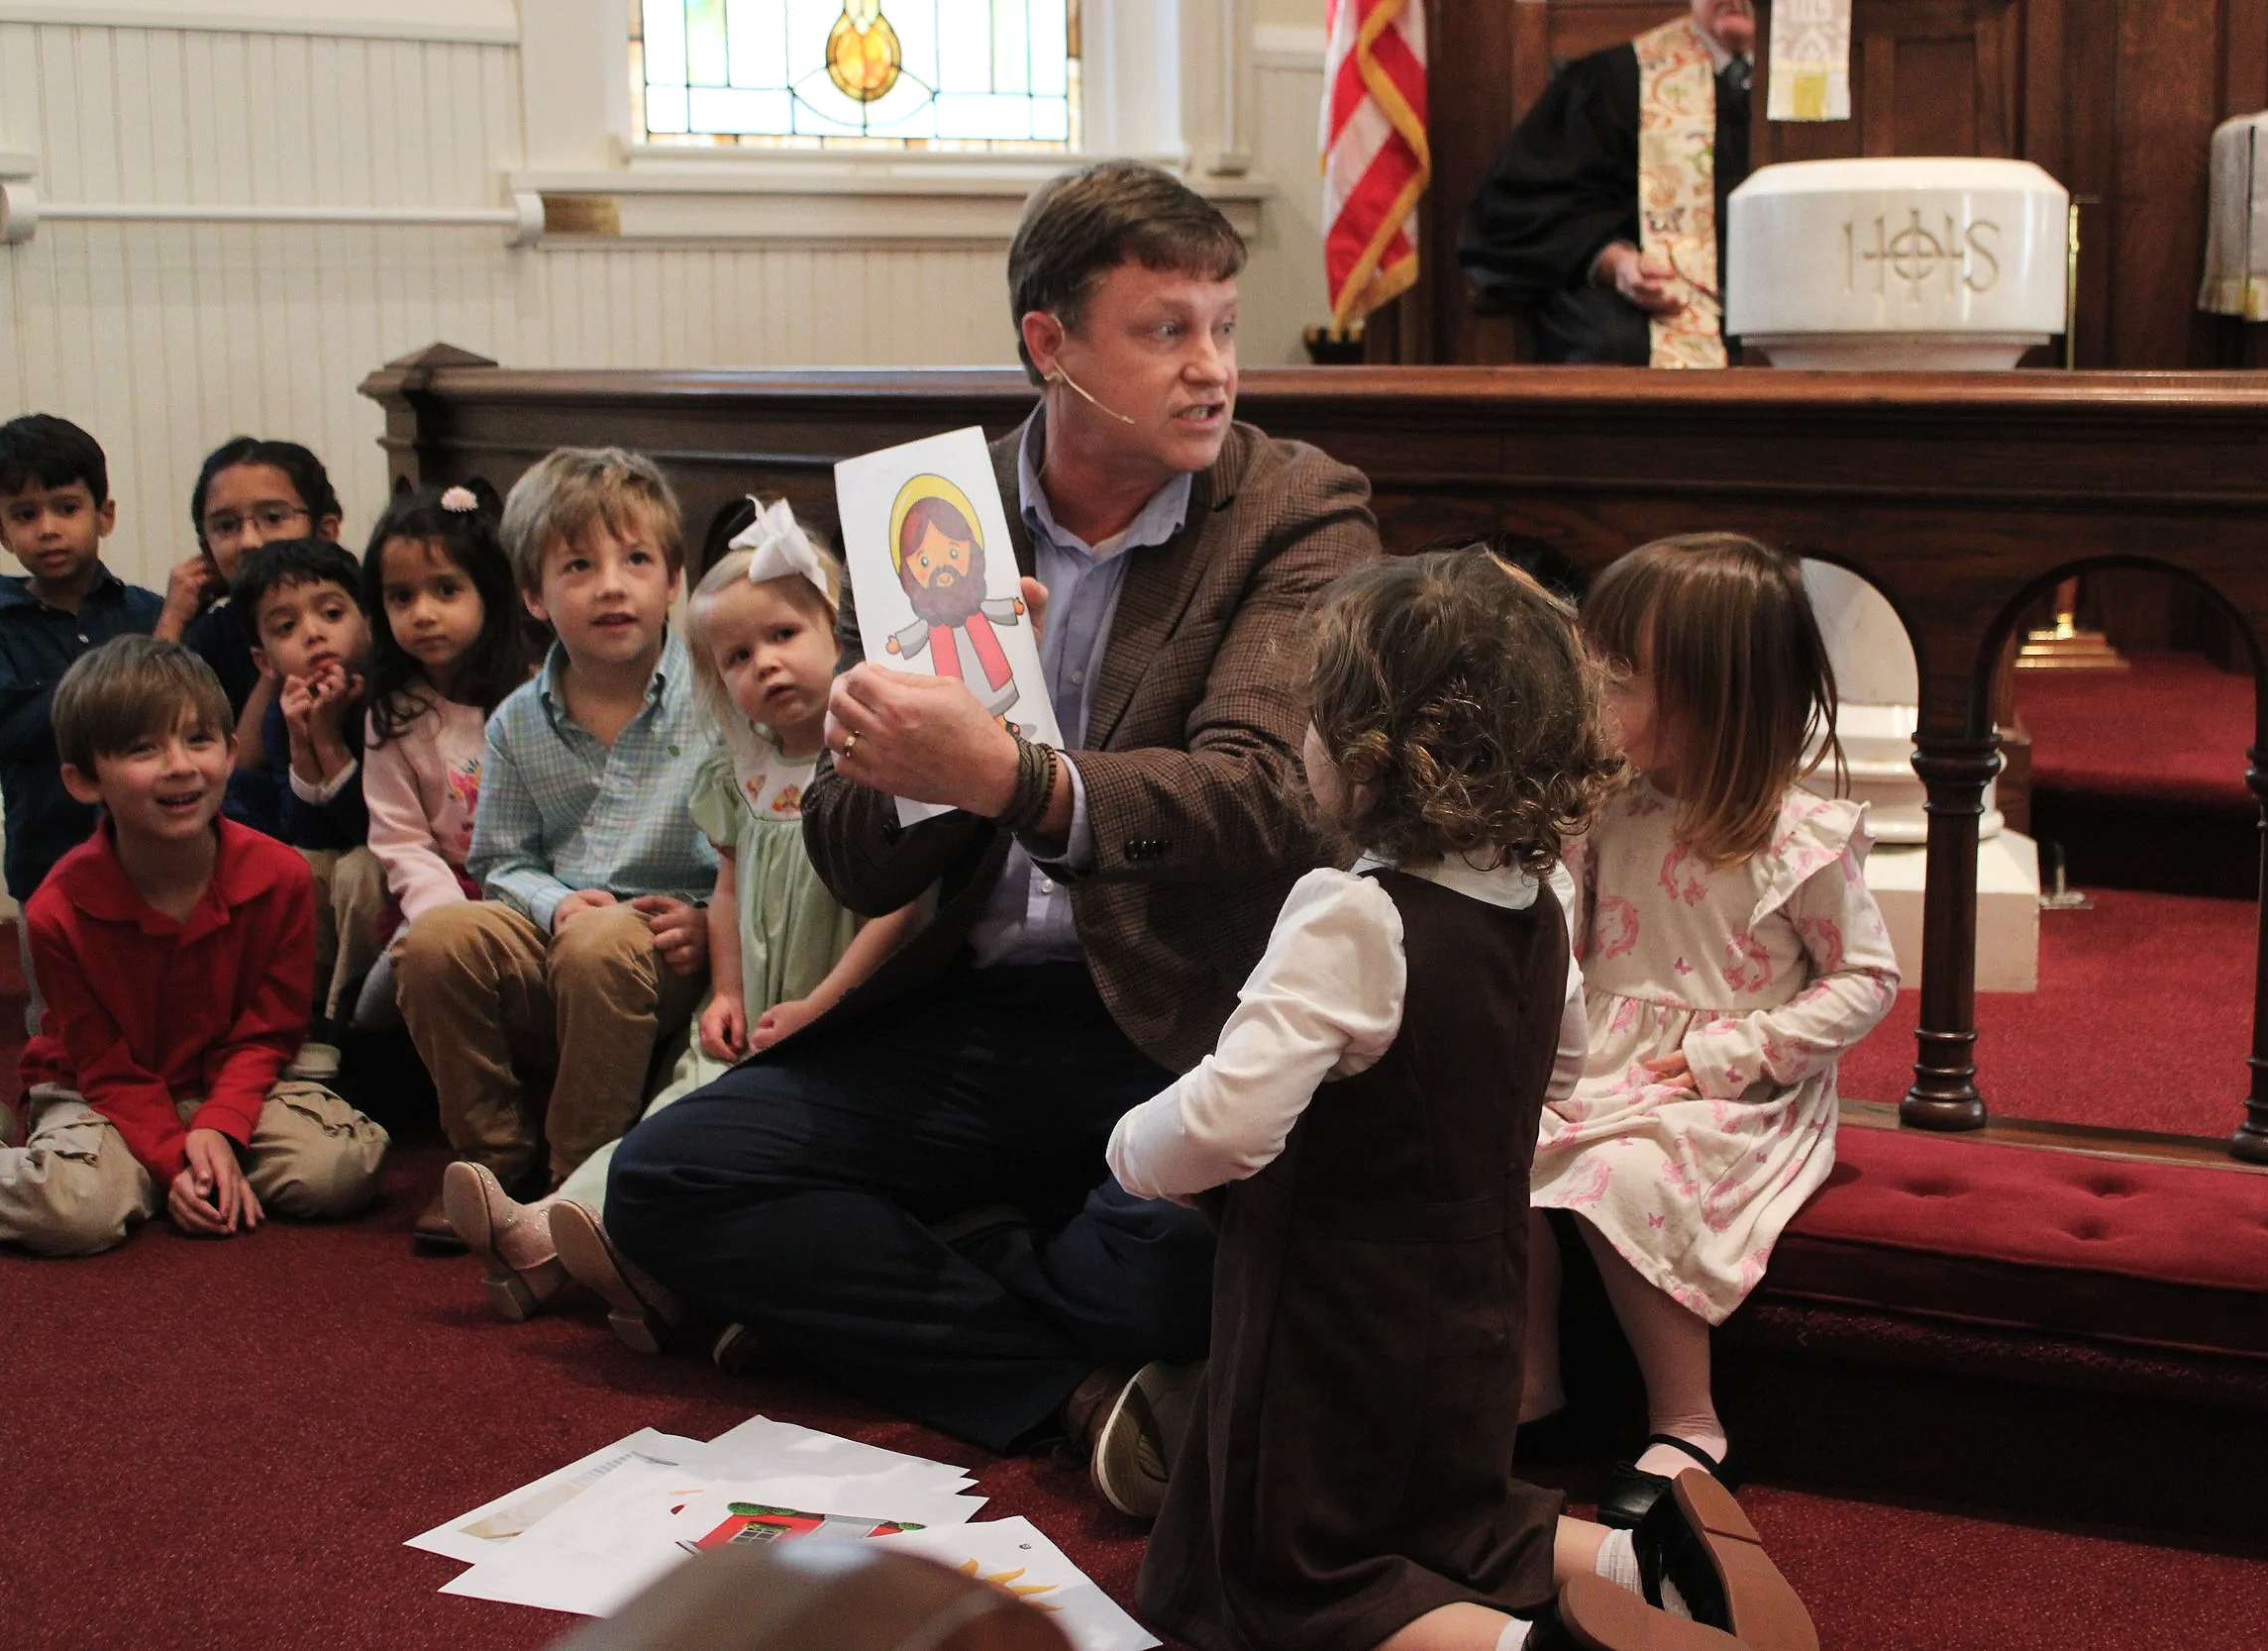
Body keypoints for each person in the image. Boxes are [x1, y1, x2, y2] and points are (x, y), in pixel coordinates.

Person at [603, 159, 1381, 1502]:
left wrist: (1018, 776)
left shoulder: (1297, 509)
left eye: (1222, 325)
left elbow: (1265, 796)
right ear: (1051, 344)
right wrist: (902, 749)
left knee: (1188, 1268)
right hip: (972, 1010)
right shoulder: (936, 513)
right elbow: (854, 851)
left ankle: (891, 1287)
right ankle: (1071, 1390)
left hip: (1179, 1016)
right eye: (1165, 329)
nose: (1213, 369)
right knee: (667, 1176)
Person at [1105, 547, 1638, 1651]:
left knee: (1297, 1576)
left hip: (1332, 1318)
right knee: (1456, 1518)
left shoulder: (1350, 916)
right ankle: (1648, 1559)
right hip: (1478, 1291)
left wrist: (1129, 1149)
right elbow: (1565, 1070)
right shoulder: (1537, 893)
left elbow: (1226, 1121)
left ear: (1370, 754)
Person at [442, 497, 922, 1339]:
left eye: (784, 636)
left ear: (836, 632)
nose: (765, 666)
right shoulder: (745, 768)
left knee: (745, 1140)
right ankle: (551, 1222)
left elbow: (907, 903)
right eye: (737, 655)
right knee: (681, 1103)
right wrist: (725, 994)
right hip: (754, 1006)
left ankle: (618, 1256)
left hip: (842, 1014)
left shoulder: (880, 756)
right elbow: (730, 888)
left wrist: (829, 1002)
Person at [1526, 533, 1900, 1529]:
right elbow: (1564, 931)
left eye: (1619, 677)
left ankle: (1688, 1418)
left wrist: (1723, 1055)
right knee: (1500, 1150)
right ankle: (1532, 1390)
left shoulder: (1792, 834)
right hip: (1604, 1058)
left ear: (1710, 696)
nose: (1592, 696)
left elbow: (1865, 979)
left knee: (1627, 1172)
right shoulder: (1610, 807)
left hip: (1732, 1085)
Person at [392, 446, 716, 1249]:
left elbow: (761, 841)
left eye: (636, 559)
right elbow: (500, 863)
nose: (612, 583)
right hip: (554, 932)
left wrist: (708, 918)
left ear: (673, 581)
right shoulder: (516, 722)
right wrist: (554, 898)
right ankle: (493, 1161)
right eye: (579, 564)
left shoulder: (718, 701)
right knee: (434, 940)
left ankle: (579, 1186)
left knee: (603, 945)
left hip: (667, 949)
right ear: (535, 595)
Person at [0, 635, 386, 1256]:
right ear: (84, 780)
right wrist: (175, 1160)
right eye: (144, 748)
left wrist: (219, 1127)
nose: (179, 765)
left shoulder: (281, 878)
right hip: (99, 1092)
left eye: (198, 740)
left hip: (237, 1079)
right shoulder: (56, 910)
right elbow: (103, 1066)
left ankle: (169, 1172)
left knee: (341, 1171)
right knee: (72, 1214)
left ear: (228, 750)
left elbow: (269, 1031)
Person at [0, 414, 185, 1033]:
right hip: (48, 855)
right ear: (1, 531)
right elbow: (10, 728)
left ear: (105, 514)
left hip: (153, 855)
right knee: (62, 1024)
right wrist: (128, 673)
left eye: (66, 506)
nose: (47, 529)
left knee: (160, 1005)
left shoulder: (147, 611)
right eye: (24, 514)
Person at [1460, 0, 1756, 366]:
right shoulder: (1618, 79)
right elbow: (1526, 208)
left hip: (1787, 303)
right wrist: (1616, 262)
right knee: (1615, 344)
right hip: (1650, 303)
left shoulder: (1842, 92)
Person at [347, 481, 541, 1031]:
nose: (423, 613)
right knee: (384, 1001)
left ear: (489, 591)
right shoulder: (394, 717)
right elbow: (401, 839)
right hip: (441, 894)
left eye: (446, 590)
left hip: (531, 891)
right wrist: (444, 915)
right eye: (401, 597)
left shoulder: (534, 698)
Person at [222, 538, 387, 1042]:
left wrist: (330, 741)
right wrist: (303, 740)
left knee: (360, 869)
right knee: (297, 866)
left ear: (368, 621)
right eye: (286, 627)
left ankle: (356, 1020)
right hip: (339, 847)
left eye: (332, 613)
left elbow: (374, 828)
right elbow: (304, 830)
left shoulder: (391, 698)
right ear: (265, 661)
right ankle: (304, 1012)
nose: (314, 634)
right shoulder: (285, 710)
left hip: (398, 854)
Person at [180, 436, 347, 771]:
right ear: (206, 545)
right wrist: (173, 618)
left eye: (273, 518)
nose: (249, 541)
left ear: (325, 530)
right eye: (226, 526)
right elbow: (228, 769)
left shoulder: (353, 620)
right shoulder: (212, 636)